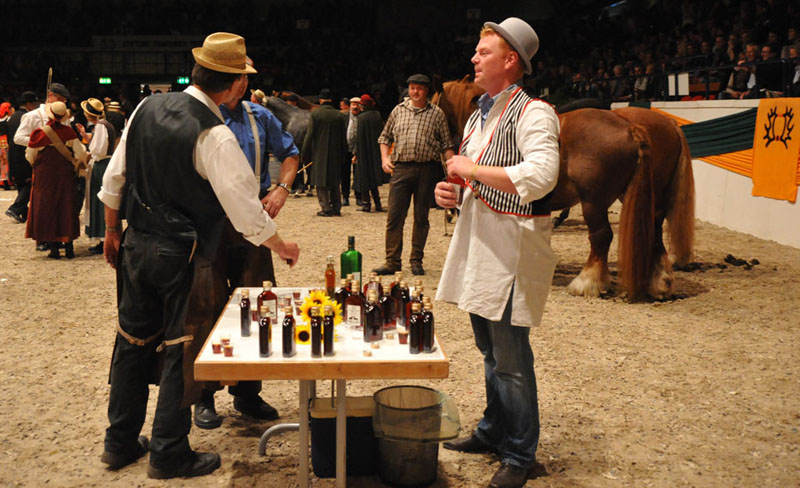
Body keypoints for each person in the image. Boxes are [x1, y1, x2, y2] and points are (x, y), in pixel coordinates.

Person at [97, 32, 299, 480]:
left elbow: (114, 179)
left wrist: (112, 230)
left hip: (136, 243)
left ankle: (119, 442)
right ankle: (169, 452)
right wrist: (282, 246)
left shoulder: (145, 108)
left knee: (131, 341)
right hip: (181, 253)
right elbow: (246, 214)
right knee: (179, 347)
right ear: (237, 83)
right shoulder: (215, 134)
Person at [434, 17, 560, 488]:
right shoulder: (477, 115)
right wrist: (451, 192)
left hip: (510, 249)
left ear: (510, 61)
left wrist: (472, 170)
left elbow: (542, 175)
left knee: (510, 359)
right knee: (489, 351)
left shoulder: (534, 112)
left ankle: (520, 453)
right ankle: (493, 430)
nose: (473, 58)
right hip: (480, 245)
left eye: (483, 52)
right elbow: (475, 176)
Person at [193, 55, 300, 430]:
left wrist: (282, 188)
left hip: (252, 222)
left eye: (246, 77)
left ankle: (248, 392)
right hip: (207, 223)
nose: (243, 83)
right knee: (206, 304)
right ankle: (203, 395)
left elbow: (290, 154)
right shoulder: (198, 115)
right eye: (239, 76)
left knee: (257, 304)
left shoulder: (260, 115)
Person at [373, 73, 454, 276]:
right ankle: (392, 261)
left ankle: (416, 260)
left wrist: (453, 169)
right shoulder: (398, 110)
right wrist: (384, 158)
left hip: (427, 170)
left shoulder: (437, 114)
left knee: (421, 217)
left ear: (426, 91)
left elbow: (446, 144)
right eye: (412, 88)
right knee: (394, 217)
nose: (415, 92)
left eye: (419, 88)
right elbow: (384, 137)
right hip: (401, 169)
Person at [25, 101, 88, 259]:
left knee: (47, 207)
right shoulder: (70, 133)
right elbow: (80, 154)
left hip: (45, 176)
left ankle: (53, 248)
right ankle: (69, 247)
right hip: (65, 175)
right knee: (66, 206)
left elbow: (30, 156)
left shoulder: (39, 134)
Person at [13, 83, 71, 251]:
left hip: (61, 164)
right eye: (60, 99)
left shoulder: (64, 115)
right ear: (50, 96)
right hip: (42, 163)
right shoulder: (33, 116)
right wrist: (40, 142)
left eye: (64, 100)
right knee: (42, 202)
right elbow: (18, 138)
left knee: (60, 202)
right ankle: (42, 238)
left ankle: (58, 236)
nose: (63, 103)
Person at [76, 98, 117, 254]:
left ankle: (102, 237)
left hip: (101, 165)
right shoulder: (105, 125)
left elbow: (98, 150)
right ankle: (102, 237)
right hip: (104, 164)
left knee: (98, 201)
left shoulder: (100, 126)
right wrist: (85, 136)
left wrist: (87, 153)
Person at [301, 88, 347, 217]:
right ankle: (336, 207)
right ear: (331, 100)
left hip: (319, 152)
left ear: (320, 100)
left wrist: (304, 152)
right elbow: (343, 137)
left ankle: (325, 207)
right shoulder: (339, 115)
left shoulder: (315, 114)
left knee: (321, 181)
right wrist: (344, 153)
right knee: (334, 181)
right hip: (336, 152)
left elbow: (309, 135)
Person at [5, 91, 39, 223]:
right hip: (23, 155)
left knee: (21, 184)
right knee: (29, 184)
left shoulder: (12, 117)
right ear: (29, 104)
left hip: (13, 155)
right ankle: (15, 208)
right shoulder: (27, 117)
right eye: (34, 103)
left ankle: (25, 213)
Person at [353, 93, 385, 212]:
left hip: (364, 152)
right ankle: (378, 203)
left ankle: (366, 204)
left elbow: (359, 138)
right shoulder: (377, 115)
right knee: (373, 179)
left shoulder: (362, 118)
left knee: (364, 178)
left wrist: (356, 153)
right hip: (375, 151)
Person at [344, 96, 362, 206]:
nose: (355, 107)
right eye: (353, 104)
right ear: (350, 106)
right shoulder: (344, 117)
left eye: (357, 104)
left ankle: (358, 197)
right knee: (345, 174)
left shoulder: (363, 117)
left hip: (358, 150)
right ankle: (345, 197)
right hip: (346, 149)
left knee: (358, 175)